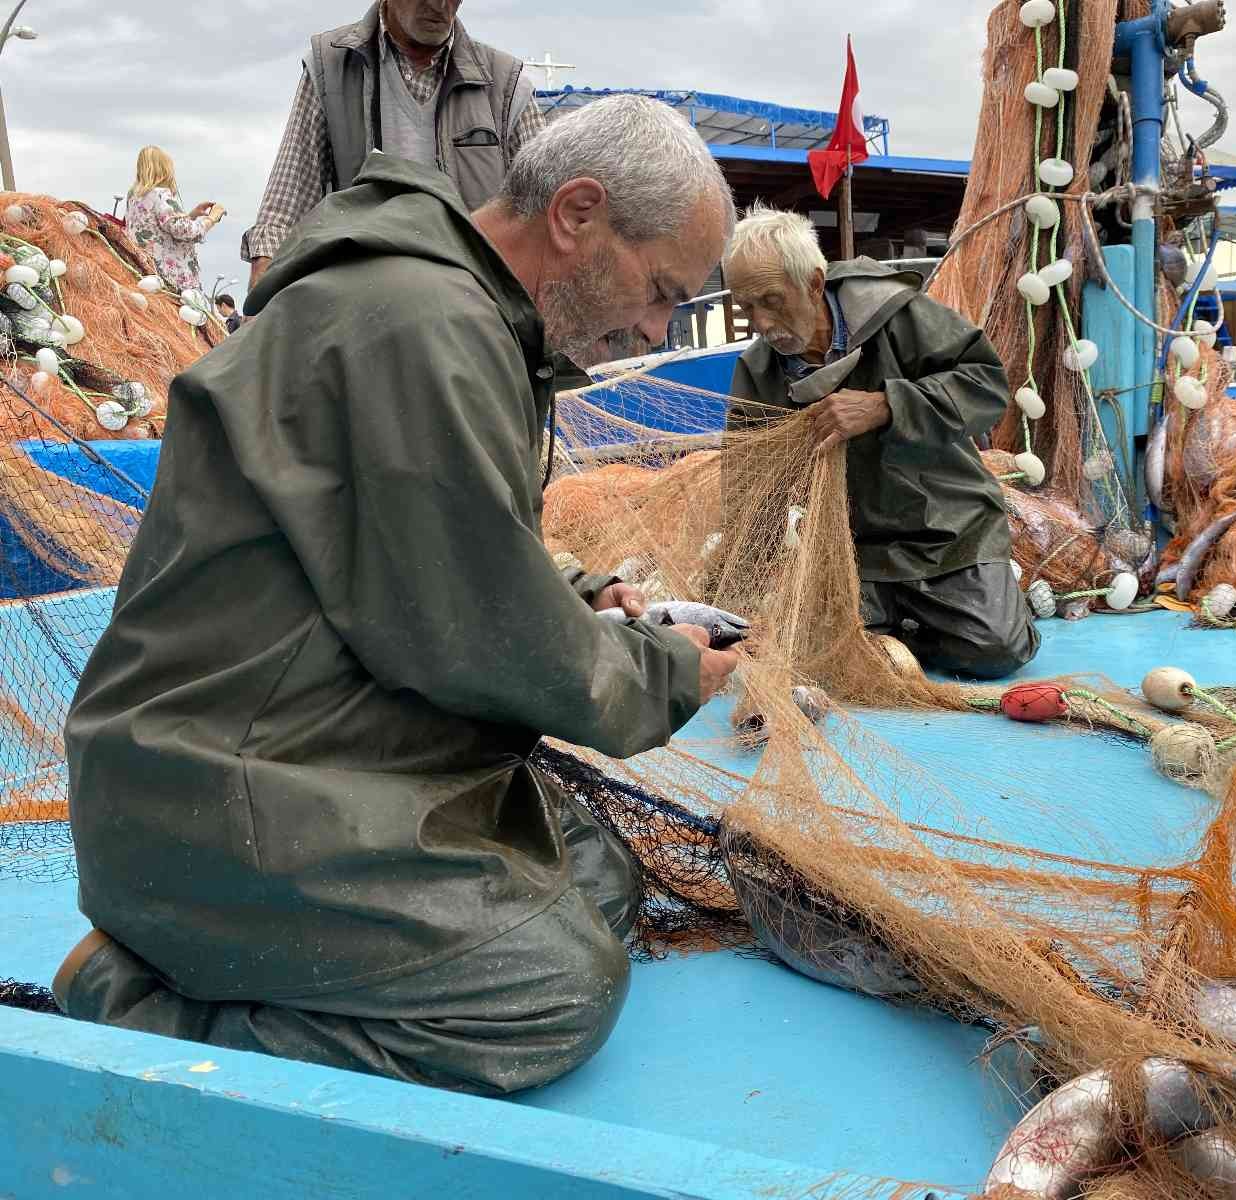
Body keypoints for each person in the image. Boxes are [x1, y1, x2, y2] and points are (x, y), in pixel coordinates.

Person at [55, 95, 741, 1094]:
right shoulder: (420, 326)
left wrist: (587, 597)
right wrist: (670, 669)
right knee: (553, 993)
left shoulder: (452, 315)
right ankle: (136, 1000)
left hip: (300, 744)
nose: (653, 324)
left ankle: (216, 951)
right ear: (577, 212)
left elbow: (431, 547)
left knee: (597, 871)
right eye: (659, 288)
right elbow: (480, 638)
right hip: (220, 786)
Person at [723, 205, 1039, 681]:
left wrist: (887, 405)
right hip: (854, 548)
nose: (763, 323)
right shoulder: (759, 371)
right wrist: (739, 588)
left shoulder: (899, 318)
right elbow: (749, 486)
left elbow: (987, 385)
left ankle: (910, 623)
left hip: (949, 528)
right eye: (747, 307)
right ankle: (895, 623)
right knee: (819, 655)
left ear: (812, 283)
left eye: (772, 300)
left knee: (995, 650)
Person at [242, 1, 542, 289]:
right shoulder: (331, 69)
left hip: (474, 311)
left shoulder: (505, 87)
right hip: (363, 309)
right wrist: (262, 306)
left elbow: (550, 217)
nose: (439, 5)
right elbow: (283, 216)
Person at [123, 146, 222, 295]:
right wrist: (212, 218)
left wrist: (191, 216)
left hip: (145, 269)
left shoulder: (134, 198)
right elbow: (186, 232)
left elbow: (157, 228)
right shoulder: (161, 194)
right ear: (164, 168)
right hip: (170, 278)